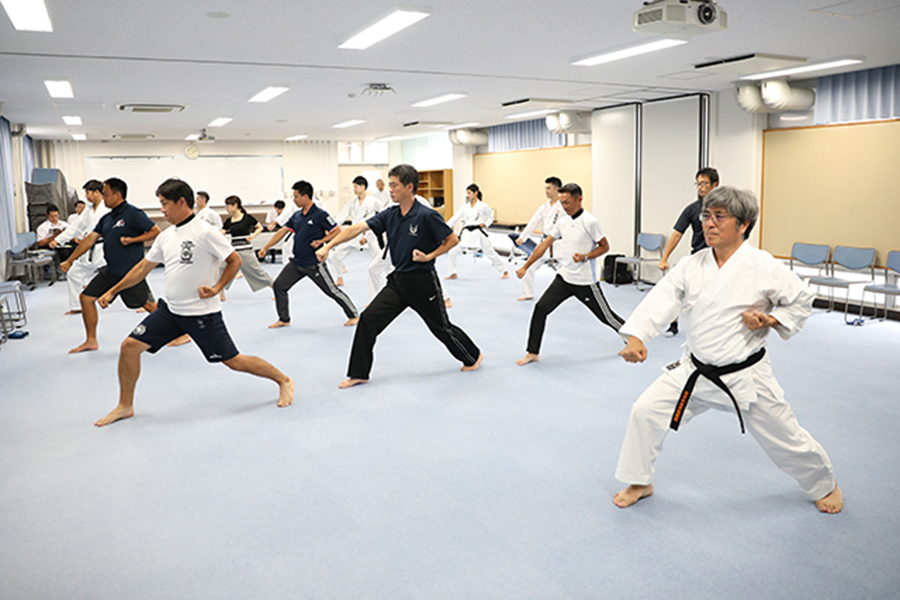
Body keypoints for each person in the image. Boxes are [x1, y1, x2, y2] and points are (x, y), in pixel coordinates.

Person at [612, 186, 842, 514]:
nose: (709, 223)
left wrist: (770, 318)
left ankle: (823, 483)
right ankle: (640, 480)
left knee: (786, 438)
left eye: (720, 217)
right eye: (706, 215)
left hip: (745, 375)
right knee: (645, 411)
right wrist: (637, 337)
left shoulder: (764, 265)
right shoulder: (692, 265)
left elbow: (801, 300)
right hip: (694, 370)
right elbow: (662, 298)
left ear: (744, 224)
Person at [93, 178, 294, 427]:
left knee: (234, 361)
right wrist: (113, 290)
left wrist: (217, 288)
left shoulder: (204, 232)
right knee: (129, 346)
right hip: (170, 312)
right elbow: (142, 268)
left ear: (182, 202)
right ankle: (125, 405)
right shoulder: (166, 237)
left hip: (202, 315)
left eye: (165, 204)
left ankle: (283, 380)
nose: (162, 210)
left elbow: (235, 261)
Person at [316, 164, 482, 388]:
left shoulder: (426, 215)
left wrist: (429, 256)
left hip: (423, 282)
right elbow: (356, 228)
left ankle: (473, 355)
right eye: (390, 185)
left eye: (394, 185)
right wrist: (329, 246)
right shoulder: (391, 214)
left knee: (441, 328)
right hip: (398, 282)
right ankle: (359, 373)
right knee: (368, 320)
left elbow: (452, 239)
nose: (390, 189)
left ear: (409, 187)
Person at [515, 183, 624, 366]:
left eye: (567, 202)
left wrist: (586, 256)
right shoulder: (562, 221)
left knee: (606, 316)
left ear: (579, 199)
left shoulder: (590, 222)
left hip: (585, 282)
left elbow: (605, 247)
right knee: (540, 309)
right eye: (562, 202)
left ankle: (633, 339)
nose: (564, 206)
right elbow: (544, 244)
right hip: (564, 278)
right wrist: (526, 266)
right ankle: (532, 352)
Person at [60, 177, 160, 354]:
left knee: (149, 306)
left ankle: (179, 333)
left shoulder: (133, 213)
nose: (103, 198)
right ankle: (91, 340)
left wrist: (133, 240)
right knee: (86, 298)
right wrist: (70, 260)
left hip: (130, 273)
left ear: (118, 195)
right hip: (111, 270)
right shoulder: (106, 218)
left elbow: (155, 231)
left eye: (106, 195)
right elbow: (89, 240)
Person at [257, 180, 359, 329]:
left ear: (305, 196)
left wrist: (322, 241)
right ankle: (284, 319)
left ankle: (354, 315)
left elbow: (337, 231)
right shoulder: (296, 216)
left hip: (314, 264)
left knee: (331, 290)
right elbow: (282, 232)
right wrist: (266, 247)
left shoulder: (320, 215)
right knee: (279, 286)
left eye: (296, 196)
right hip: (297, 263)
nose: (294, 200)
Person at [658, 167, 719, 337]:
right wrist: (664, 258)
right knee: (678, 288)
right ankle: (673, 324)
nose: (700, 187)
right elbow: (677, 234)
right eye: (698, 184)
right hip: (698, 257)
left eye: (704, 183)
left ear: (715, 185)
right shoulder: (692, 209)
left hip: (719, 259)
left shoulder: (725, 208)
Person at [50, 180, 109, 314]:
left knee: (122, 275)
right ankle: (78, 307)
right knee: (73, 273)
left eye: (88, 193)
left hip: (103, 248)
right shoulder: (89, 209)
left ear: (97, 192)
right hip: (88, 249)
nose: (86, 196)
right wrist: (58, 239)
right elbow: (76, 227)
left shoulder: (107, 208)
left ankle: (144, 302)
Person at [512, 176, 565, 301]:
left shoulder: (564, 206)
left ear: (557, 189)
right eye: (545, 188)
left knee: (568, 271)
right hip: (545, 243)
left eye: (549, 188)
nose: (546, 191)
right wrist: (523, 237)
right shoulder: (544, 207)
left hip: (560, 243)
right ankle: (527, 293)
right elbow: (533, 222)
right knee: (530, 265)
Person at [444, 184, 509, 280]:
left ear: (476, 193)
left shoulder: (483, 206)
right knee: (452, 252)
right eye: (467, 193)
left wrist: (486, 224)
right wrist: (443, 228)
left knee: (490, 252)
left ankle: (504, 271)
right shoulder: (465, 207)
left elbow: (491, 217)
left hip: (479, 233)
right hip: (467, 233)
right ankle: (453, 273)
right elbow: (454, 218)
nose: (468, 195)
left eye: (470, 193)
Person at [330, 176, 381, 286]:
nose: (354, 189)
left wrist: (367, 236)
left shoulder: (373, 201)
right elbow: (341, 217)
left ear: (363, 187)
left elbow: (382, 216)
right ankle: (339, 278)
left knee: (381, 257)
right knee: (336, 255)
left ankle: (392, 275)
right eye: (353, 187)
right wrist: (331, 228)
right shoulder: (352, 202)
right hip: (353, 234)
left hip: (368, 234)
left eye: (356, 187)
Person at [219, 195, 273, 297]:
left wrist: (252, 237)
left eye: (228, 205)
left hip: (245, 250)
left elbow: (259, 227)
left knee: (257, 271)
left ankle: (275, 287)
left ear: (235, 205)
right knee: (222, 268)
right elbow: (221, 232)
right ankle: (220, 291)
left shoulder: (247, 218)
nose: (226, 208)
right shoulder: (229, 221)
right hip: (233, 250)